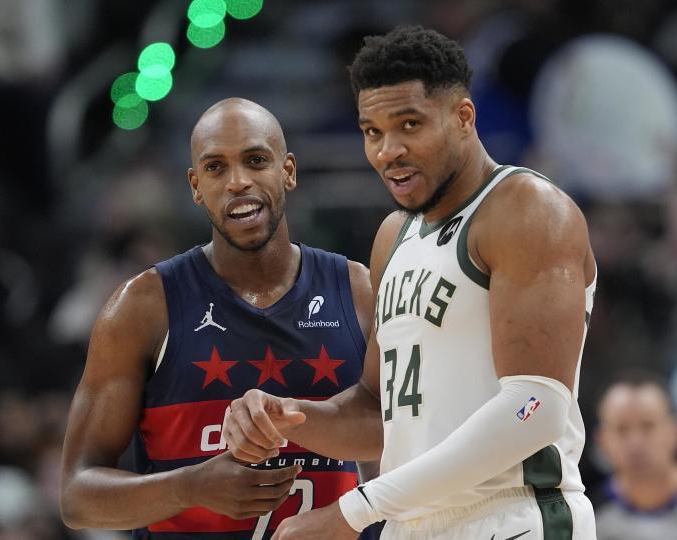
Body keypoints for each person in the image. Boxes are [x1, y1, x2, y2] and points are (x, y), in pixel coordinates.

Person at [222, 26, 599, 539]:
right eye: (372, 132)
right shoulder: (393, 237)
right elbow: (376, 412)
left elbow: (536, 408)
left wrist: (356, 510)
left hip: (514, 515)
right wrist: (285, 416)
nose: (388, 151)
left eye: (409, 125)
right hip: (410, 522)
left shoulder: (527, 209)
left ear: (463, 117)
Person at [59, 98, 383, 539]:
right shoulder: (142, 307)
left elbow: (403, 438)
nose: (238, 181)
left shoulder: (359, 291)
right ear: (196, 186)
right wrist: (189, 487)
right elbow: (77, 496)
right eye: (216, 168)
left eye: (256, 160)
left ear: (288, 171)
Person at [592, 370, 677, 539]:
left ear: (676, 431)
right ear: (602, 440)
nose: (635, 443)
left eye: (648, 426)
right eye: (621, 429)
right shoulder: (587, 514)